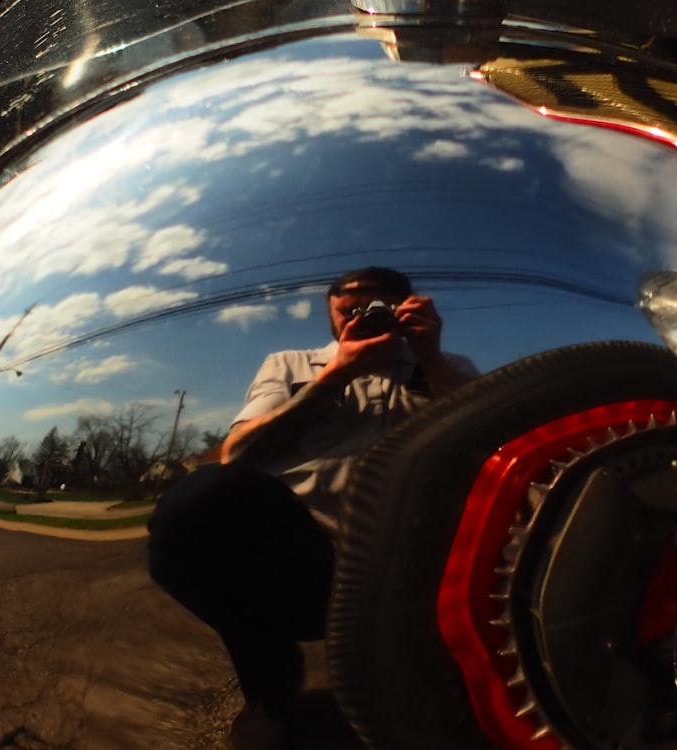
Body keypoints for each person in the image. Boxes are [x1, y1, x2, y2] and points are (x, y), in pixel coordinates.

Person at [146, 267, 478, 750]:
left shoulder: (448, 367)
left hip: (423, 560)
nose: (366, 316)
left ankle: (436, 679)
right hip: (299, 556)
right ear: (330, 308)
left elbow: (494, 443)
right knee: (196, 503)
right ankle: (270, 679)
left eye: (381, 306)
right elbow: (237, 453)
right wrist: (337, 374)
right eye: (352, 308)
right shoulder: (289, 364)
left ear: (409, 310)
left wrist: (429, 361)